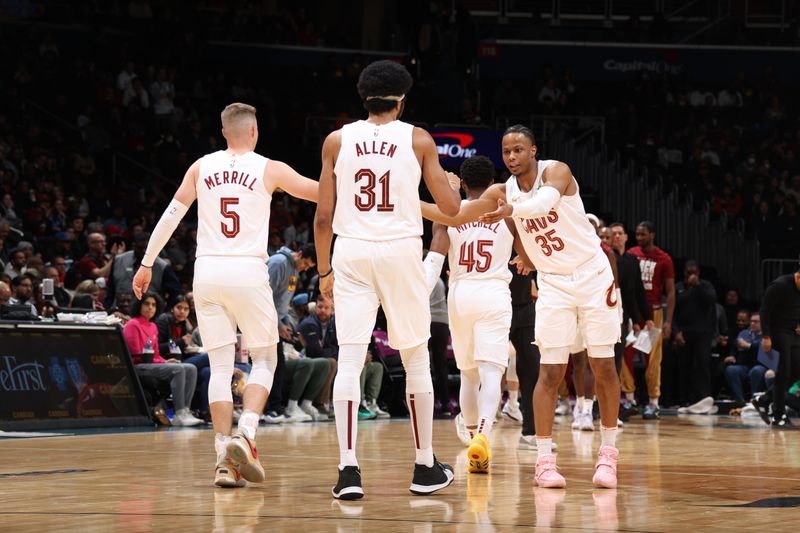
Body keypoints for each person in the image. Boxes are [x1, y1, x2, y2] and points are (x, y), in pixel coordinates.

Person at [421, 124, 621, 489]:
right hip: (553, 282)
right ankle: (544, 460)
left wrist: (511, 210)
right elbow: (456, 216)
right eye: (506, 151)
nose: (511, 157)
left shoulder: (556, 171)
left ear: (533, 151)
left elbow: (544, 204)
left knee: (603, 364)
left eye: (518, 150)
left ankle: (607, 455)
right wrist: (404, 205)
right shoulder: (500, 191)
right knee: (549, 372)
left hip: (592, 274)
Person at [132, 102, 318, 488]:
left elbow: (171, 214)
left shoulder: (201, 167)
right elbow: (319, 193)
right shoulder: (270, 167)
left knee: (219, 366)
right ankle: (246, 434)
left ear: (223, 133)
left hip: (207, 272)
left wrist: (148, 262)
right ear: (254, 131)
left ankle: (223, 460)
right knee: (266, 358)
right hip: (248, 271)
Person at [314, 60, 461, 500]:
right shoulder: (417, 138)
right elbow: (451, 209)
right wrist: (449, 182)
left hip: (351, 251)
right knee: (416, 358)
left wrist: (324, 270)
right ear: (402, 99)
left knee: (351, 356)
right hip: (398, 250)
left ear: (364, 98)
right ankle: (424, 467)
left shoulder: (336, 140)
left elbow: (323, 217)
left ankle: (347, 471)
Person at [423, 155, 520, 474]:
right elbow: (526, 251)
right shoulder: (506, 213)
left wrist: (417, 297)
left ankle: (469, 434)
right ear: (493, 183)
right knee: (493, 372)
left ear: (462, 184)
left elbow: (435, 259)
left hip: (460, 293)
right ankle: (483, 435)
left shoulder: (449, 214)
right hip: (493, 290)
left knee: (468, 374)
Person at [123, 292, 204, 427]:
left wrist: (165, 361)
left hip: (152, 364)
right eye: (147, 304)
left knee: (191, 368)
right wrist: (159, 362)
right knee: (178, 370)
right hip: (138, 366)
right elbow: (136, 354)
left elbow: (156, 354)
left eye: (154, 305)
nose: (150, 308)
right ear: (139, 305)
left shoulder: (153, 326)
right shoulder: (133, 324)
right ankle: (178, 414)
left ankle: (185, 411)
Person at [627, 221, 675, 419]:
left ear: (652, 234)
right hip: (632, 312)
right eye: (637, 234)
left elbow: (671, 292)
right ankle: (629, 400)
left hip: (653, 314)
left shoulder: (664, 259)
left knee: (653, 359)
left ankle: (653, 402)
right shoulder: (631, 255)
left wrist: (668, 321)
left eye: (643, 234)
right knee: (625, 356)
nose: (639, 238)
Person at [263, 243, 317, 419]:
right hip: (263, 321)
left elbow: (281, 303)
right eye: (306, 264)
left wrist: (285, 322)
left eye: (309, 267)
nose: (305, 268)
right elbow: (264, 296)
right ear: (299, 254)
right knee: (271, 365)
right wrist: (278, 323)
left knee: (278, 365)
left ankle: (275, 407)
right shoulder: (278, 263)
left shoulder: (293, 270)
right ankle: (270, 409)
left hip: (274, 321)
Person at [752, 267, 800, 427]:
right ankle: (778, 415)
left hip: (793, 332)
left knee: (796, 370)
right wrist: (766, 336)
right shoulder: (779, 285)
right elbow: (764, 311)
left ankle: (764, 400)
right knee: (784, 372)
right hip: (777, 331)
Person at [672, 260, 717, 410]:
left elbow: (711, 301)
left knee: (702, 364)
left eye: (694, 272)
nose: (691, 275)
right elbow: (672, 312)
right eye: (688, 272)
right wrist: (675, 332)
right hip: (684, 333)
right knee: (684, 366)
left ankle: (704, 397)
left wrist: (697, 284)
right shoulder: (678, 287)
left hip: (703, 333)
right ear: (684, 272)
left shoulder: (706, 286)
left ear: (698, 273)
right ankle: (685, 399)